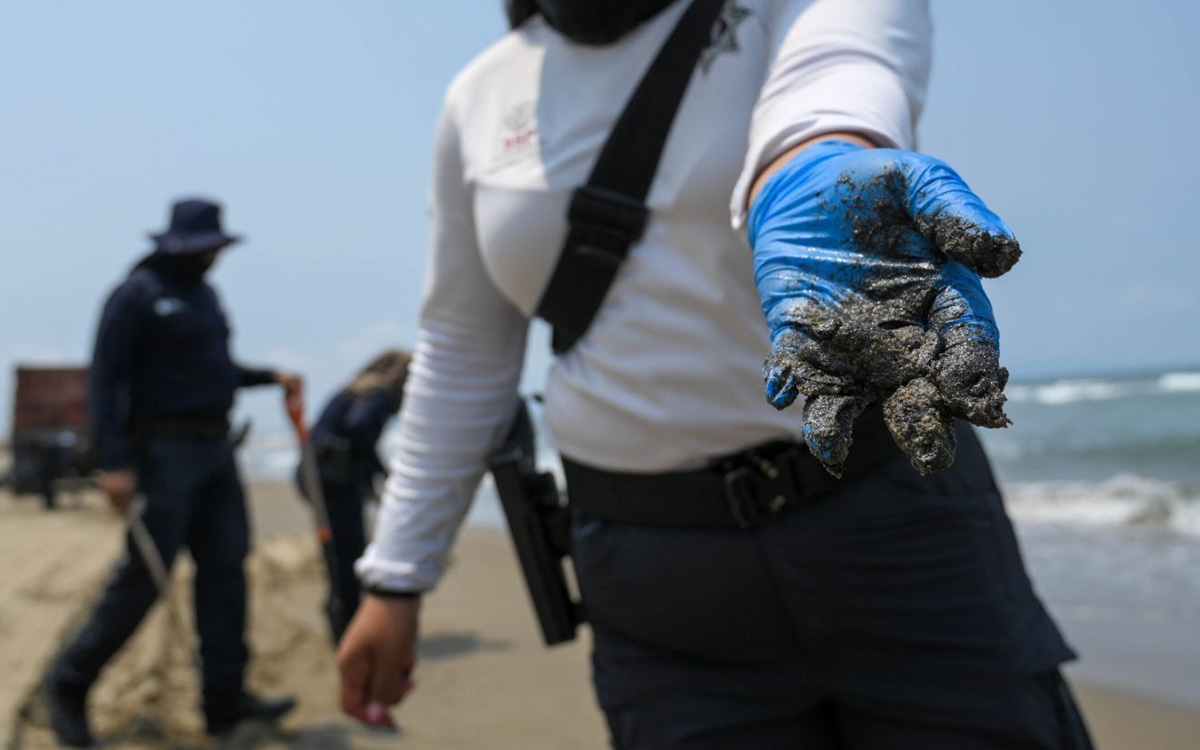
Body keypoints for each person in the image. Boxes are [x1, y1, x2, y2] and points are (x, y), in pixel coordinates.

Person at [338, 2, 1096, 748]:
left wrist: (815, 161)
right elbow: (463, 345)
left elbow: (835, 72)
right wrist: (397, 577)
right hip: (653, 579)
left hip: (892, 525)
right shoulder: (480, 93)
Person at [42, 198, 299, 747]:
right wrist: (114, 462)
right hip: (161, 456)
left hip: (217, 453)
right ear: (176, 245)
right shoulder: (137, 294)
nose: (212, 257)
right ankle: (68, 685)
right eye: (205, 248)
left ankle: (224, 703)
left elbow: (217, 371)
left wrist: (269, 376)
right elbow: (105, 380)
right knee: (144, 579)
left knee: (227, 575)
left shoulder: (205, 295)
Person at [299, 350, 410, 642]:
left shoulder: (354, 389)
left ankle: (343, 617)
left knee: (337, 551)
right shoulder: (378, 395)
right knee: (349, 553)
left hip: (317, 476)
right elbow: (359, 428)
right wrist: (378, 470)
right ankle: (348, 627)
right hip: (334, 482)